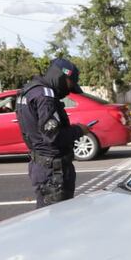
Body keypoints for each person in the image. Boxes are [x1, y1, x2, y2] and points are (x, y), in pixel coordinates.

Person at [16, 58, 90, 207]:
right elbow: (53, 136)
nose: (69, 90)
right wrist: (79, 130)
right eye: (70, 84)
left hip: (41, 165)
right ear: (62, 77)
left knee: (47, 218)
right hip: (54, 172)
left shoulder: (29, 90)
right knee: (58, 222)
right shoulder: (45, 96)